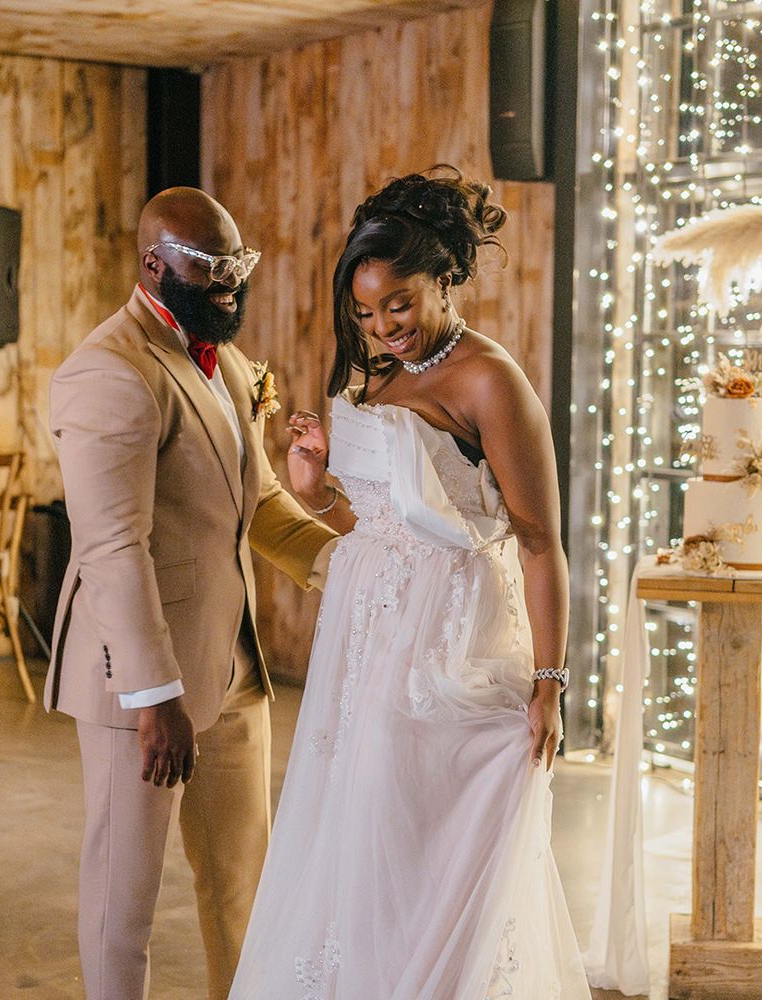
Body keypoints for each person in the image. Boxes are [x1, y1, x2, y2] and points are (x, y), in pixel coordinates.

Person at [228, 168, 591, 999]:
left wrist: (549, 682)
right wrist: (315, 486)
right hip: (366, 644)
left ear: (444, 278)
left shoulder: (489, 380)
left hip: (449, 639)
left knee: (431, 841)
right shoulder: (379, 374)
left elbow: (539, 545)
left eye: (398, 304)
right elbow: (380, 523)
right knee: (364, 834)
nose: (382, 327)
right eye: (364, 312)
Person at [46, 187, 337, 1000]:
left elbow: (261, 503)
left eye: (238, 263)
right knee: (125, 903)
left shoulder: (227, 361)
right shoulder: (109, 371)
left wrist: (353, 572)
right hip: (141, 685)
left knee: (244, 887)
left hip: (234, 668)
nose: (230, 283)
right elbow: (112, 547)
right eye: (210, 266)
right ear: (154, 263)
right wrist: (154, 696)